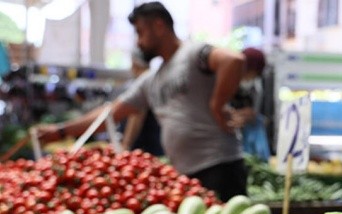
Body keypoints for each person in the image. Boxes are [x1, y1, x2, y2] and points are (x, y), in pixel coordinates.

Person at [34, 1, 247, 201]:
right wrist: (61, 131)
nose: (138, 41)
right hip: (185, 174)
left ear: (159, 25)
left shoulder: (193, 53)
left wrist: (217, 105)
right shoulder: (151, 80)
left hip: (220, 165)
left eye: (140, 32)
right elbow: (110, 113)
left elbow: (233, 60)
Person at [229, 47, 271, 162]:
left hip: (245, 135)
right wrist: (230, 116)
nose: (250, 77)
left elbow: (256, 112)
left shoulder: (256, 88)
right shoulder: (226, 80)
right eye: (249, 72)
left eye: (254, 74)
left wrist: (250, 115)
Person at [119, 48, 163, 156]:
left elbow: (137, 115)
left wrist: (125, 146)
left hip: (144, 148)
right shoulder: (155, 80)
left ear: (134, 63)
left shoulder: (143, 83)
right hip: (156, 145)